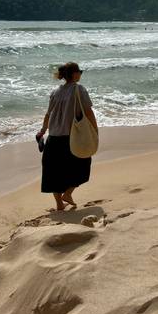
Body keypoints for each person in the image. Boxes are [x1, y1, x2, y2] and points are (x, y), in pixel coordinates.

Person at [36, 62, 98, 211]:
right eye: (80, 71)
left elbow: (48, 115)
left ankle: (59, 204)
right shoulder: (79, 89)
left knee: (53, 173)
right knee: (83, 166)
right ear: (74, 74)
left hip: (53, 138)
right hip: (70, 138)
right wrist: (95, 131)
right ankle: (68, 194)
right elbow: (88, 112)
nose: (81, 74)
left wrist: (42, 131)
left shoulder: (55, 92)